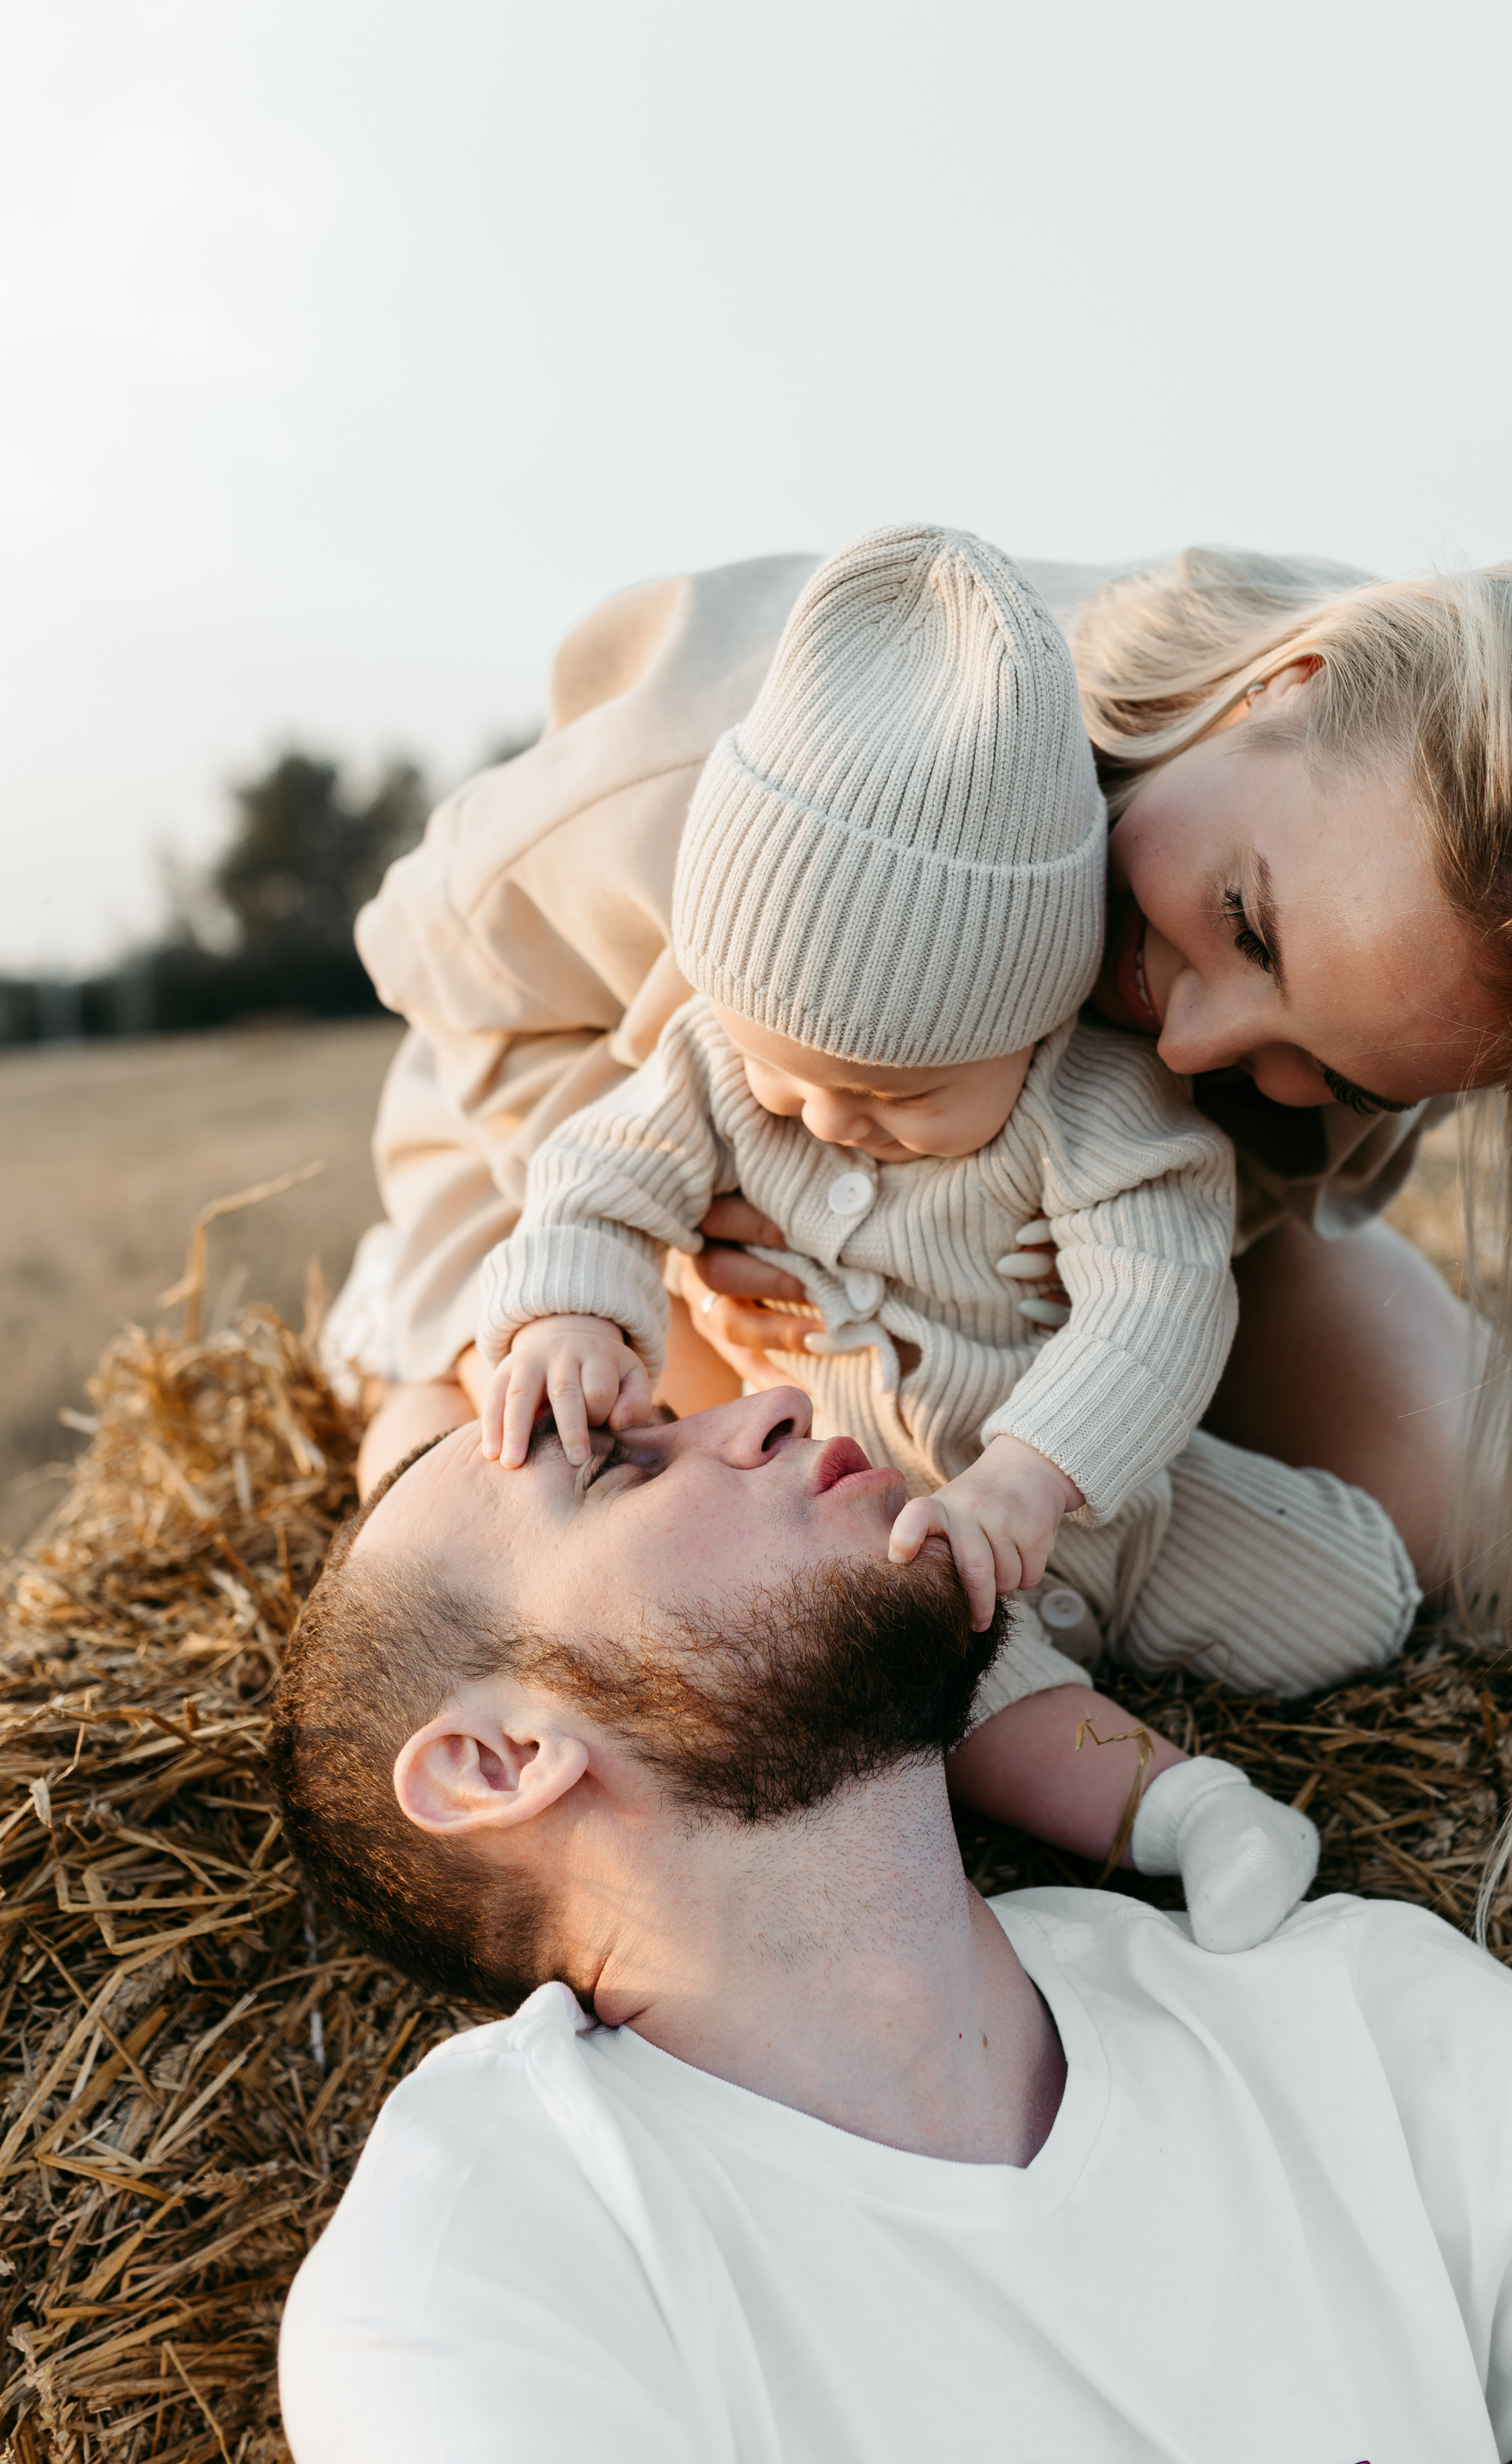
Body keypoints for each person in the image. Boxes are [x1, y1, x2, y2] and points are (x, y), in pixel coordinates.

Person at [335, 536, 1512, 1878]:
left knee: (1470, 1520)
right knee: (663, 1565)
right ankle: (412, 1380)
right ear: (1284, 682)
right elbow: (439, 963)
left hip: (1071, 1251)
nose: (1203, 1042)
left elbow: (1218, 1222)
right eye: (1241, 925)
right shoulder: (722, 761)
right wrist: (656, 1241)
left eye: (1317, 1062)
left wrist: (1071, 1371)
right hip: (628, 1155)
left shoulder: (1423, 935)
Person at [271, 1387, 1512, 2464]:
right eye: (621, 1466)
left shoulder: (1348, 2022)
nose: (766, 1397)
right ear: (493, 1762)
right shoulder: (495, 2239)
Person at [478, 524, 1418, 1937]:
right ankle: (1193, 1815)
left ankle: (1273, 1619)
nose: (823, 1116)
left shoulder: (1098, 1102)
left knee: (1358, 1602)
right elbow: (600, 1176)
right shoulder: (719, 1064)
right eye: (783, 1068)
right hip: (914, 1529)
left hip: (1103, 1501)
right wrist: (573, 1311)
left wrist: (1034, 1481)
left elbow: (1156, 1305)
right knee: (962, 1691)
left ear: (1033, 1012)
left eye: (898, 1095)